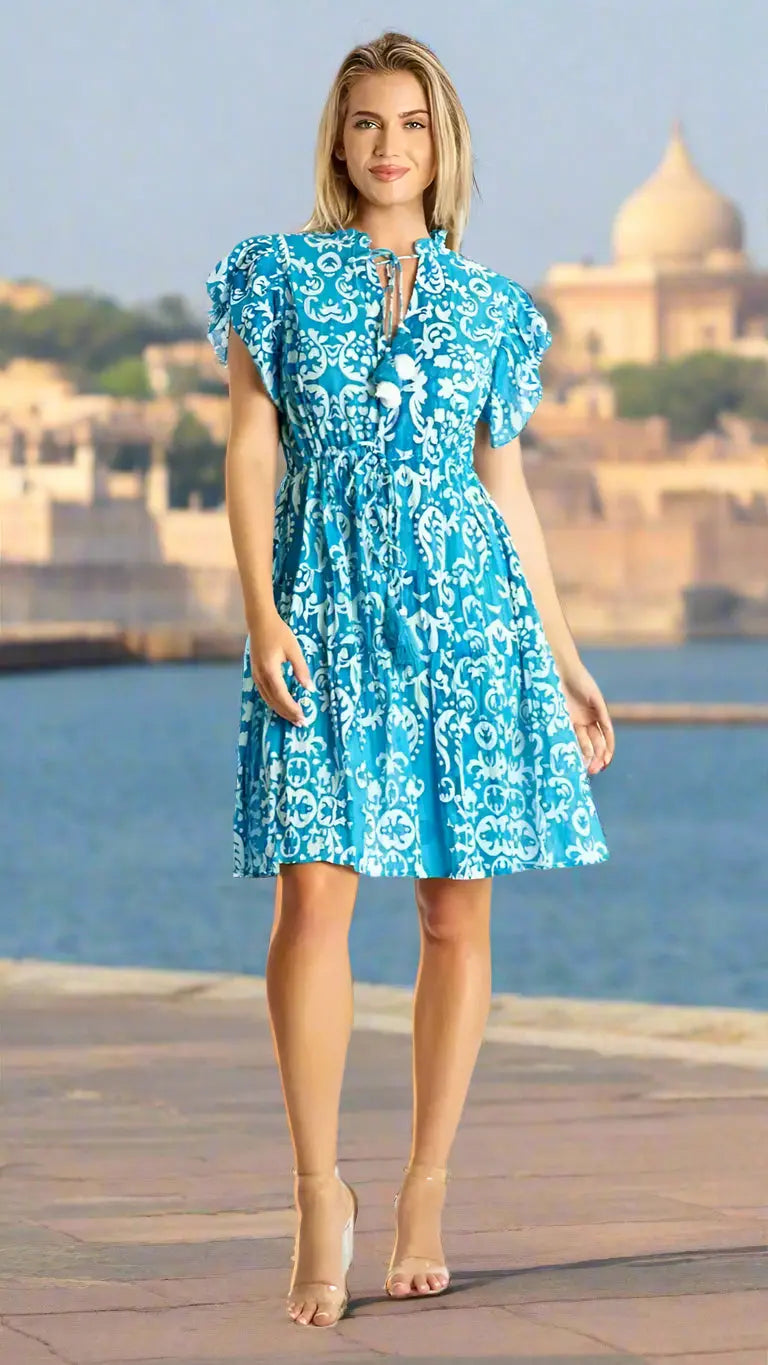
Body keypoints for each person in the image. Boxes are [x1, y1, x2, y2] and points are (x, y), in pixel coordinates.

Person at [206, 28, 614, 1330]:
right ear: (339, 139)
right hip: (322, 605)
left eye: (414, 125)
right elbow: (250, 454)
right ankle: (319, 1187)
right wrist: (262, 608)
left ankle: (429, 1184)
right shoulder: (270, 274)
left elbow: (507, 487)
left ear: (446, 147)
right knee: (313, 892)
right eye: (369, 122)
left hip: (465, 618)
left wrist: (564, 655)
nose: (391, 146)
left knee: (454, 911)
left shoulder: (494, 309)